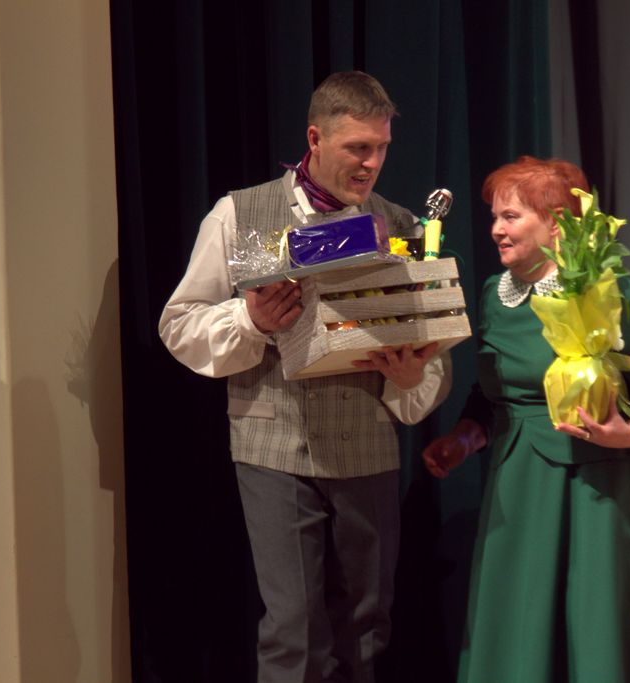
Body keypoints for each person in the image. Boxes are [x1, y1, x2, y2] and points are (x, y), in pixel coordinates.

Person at [160, 71, 451, 683]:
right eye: (357, 148)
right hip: (274, 446)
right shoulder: (243, 213)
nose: (372, 163)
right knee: (294, 633)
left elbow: (432, 349)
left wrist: (411, 374)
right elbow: (180, 324)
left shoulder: (400, 223)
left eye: (381, 148)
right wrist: (251, 319)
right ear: (315, 139)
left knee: (366, 629)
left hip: (366, 447)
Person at [422, 156, 630, 682]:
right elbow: (494, 392)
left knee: (594, 621)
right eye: (495, 216)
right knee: (520, 620)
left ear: (557, 224)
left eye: (511, 216)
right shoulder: (495, 296)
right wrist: (464, 439)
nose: (496, 229)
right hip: (518, 481)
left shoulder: (608, 290)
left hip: (598, 487)